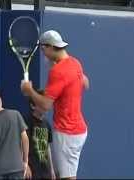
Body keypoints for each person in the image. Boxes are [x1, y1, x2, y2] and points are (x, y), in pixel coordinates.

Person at [21, 30, 89, 179]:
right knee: (63, 174)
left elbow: (45, 105)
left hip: (67, 132)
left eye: (43, 49)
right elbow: (85, 83)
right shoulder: (75, 63)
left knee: (67, 177)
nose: (43, 54)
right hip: (79, 130)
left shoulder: (58, 72)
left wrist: (29, 90)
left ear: (50, 47)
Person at [24, 89, 55, 179]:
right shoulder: (27, 122)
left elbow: (47, 146)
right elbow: (21, 145)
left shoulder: (47, 124)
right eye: (42, 103)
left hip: (45, 170)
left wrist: (51, 169)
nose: (46, 106)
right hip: (32, 170)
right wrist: (26, 165)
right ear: (33, 106)